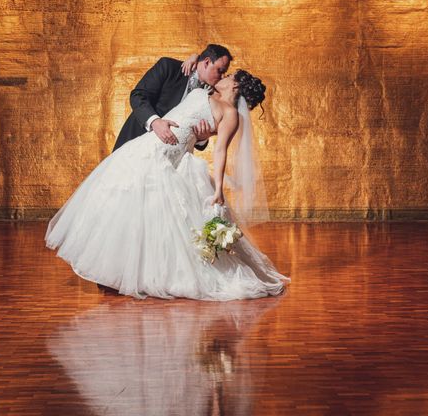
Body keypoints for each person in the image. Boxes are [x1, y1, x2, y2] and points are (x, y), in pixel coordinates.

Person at [45, 69, 290, 300]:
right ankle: (116, 272)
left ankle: (143, 274)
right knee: (123, 208)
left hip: (168, 162)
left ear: (235, 84)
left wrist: (217, 191)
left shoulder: (229, 114)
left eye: (229, 75)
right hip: (144, 148)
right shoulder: (200, 92)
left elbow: (220, 152)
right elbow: (188, 95)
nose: (223, 76)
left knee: (153, 219)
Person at [112, 44, 232, 152]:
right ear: (206, 62)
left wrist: (202, 138)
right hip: (135, 142)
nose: (222, 77)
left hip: (166, 160)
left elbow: (198, 142)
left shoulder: (211, 95)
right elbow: (137, 96)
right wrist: (155, 122)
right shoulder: (169, 67)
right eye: (220, 71)